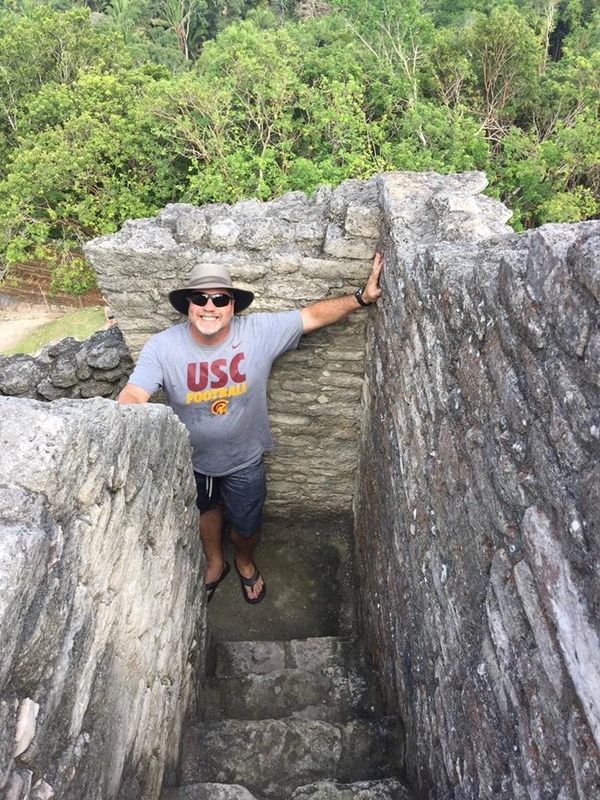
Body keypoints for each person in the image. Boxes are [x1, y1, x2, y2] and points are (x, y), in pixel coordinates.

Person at [117, 253, 383, 604]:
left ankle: (243, 560)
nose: (209, 307)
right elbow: (135, 392)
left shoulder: (258, 332)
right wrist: (125, 416)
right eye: (200, 299)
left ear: (232, 306)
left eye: (220, 299)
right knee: (205, 510)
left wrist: (362, 298)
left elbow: (312, 316)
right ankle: (216, 563)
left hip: (245, 459)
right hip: (193, 460)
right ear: (187, 305)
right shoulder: (163, 346)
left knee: (246, 524)